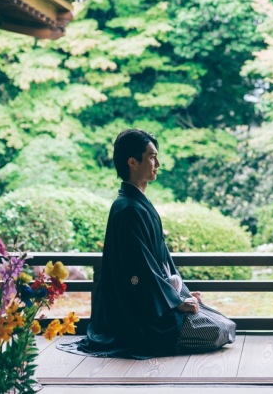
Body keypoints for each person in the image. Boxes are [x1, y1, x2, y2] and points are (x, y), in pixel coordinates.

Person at [62, 129, 236, 358]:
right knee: (217, 331)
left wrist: (182, 293)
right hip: (140, 315)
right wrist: (175, 302)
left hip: (159, 299)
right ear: (133, 162)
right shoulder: (127, 209)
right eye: (152, 157)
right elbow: (139, 271)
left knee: (226, 325)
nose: (158, 163)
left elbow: (162, 262)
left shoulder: (138, 204)